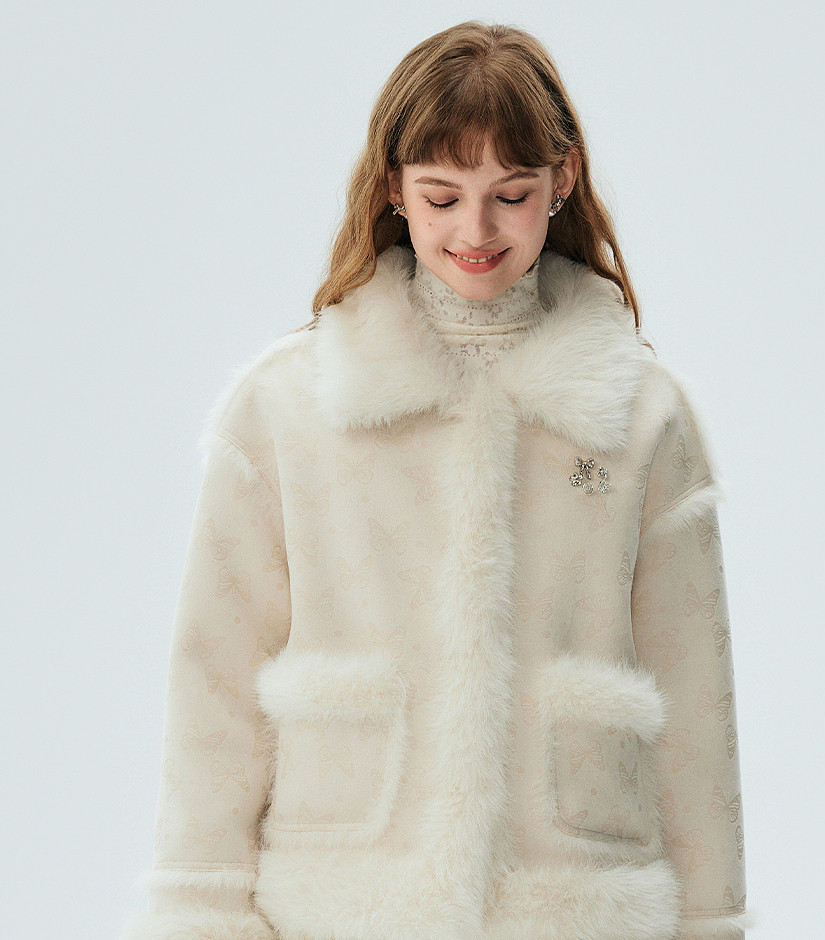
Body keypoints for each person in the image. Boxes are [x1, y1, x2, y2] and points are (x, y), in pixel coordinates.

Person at [123, 20, 750, 940]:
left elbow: (696, 699)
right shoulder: (290, 407)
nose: (476, 230)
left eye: (511, 194)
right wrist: (200, 911)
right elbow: (215, 687)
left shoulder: (640, 413)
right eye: (442, 196)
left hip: (577, 906)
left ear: (563, 179)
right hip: (344, 904)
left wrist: (711, 921)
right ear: (393, 186)